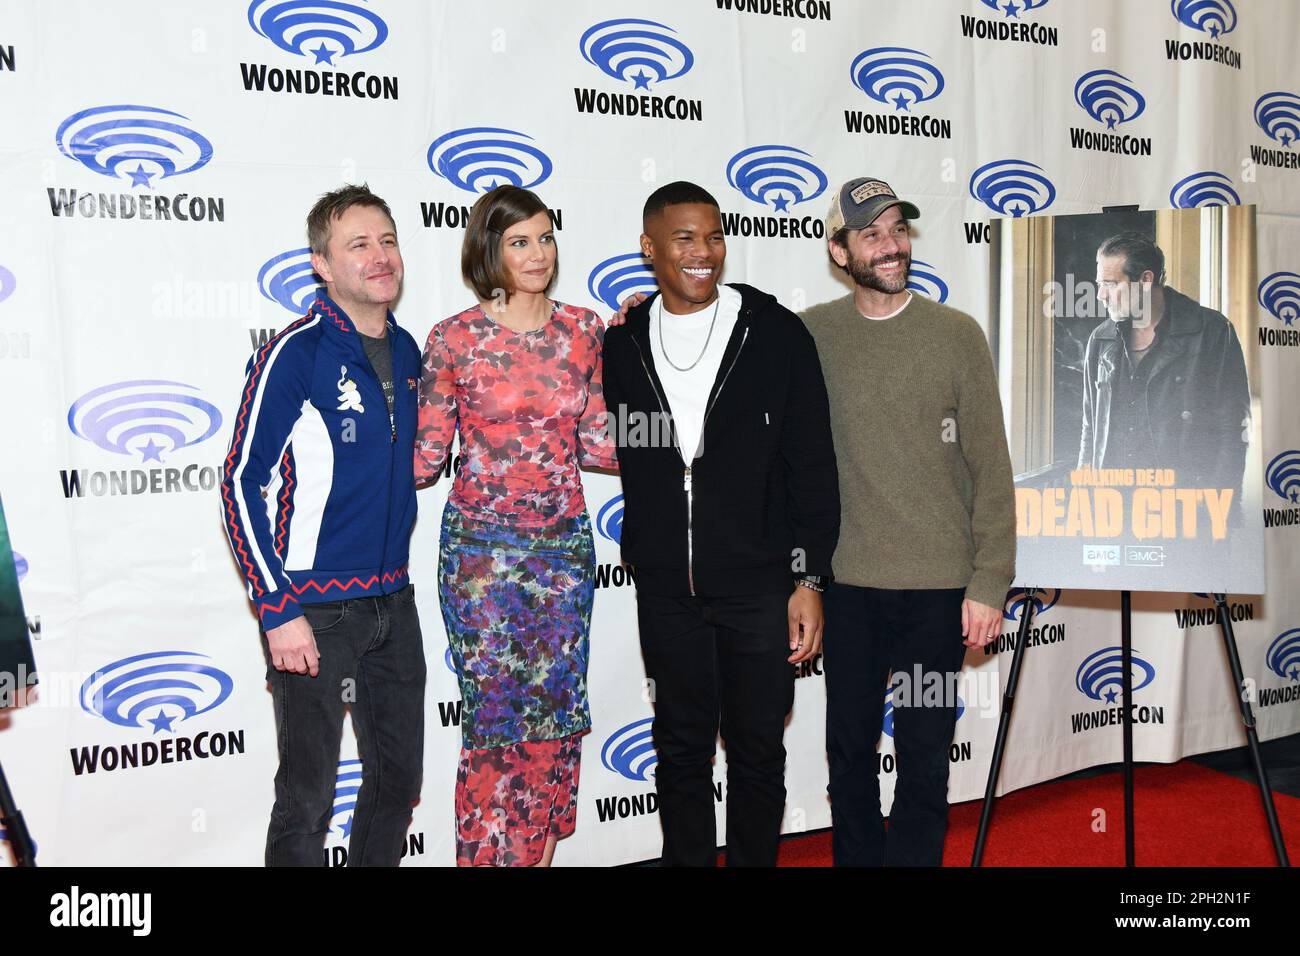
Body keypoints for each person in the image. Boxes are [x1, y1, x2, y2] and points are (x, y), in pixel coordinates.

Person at [602, 181, 839, 867]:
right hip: (667, 588)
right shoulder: (623, 343)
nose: (703, 252)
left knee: (759, 750)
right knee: (679, 749)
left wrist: (809, 578)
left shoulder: (776, 335)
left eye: (713, 236)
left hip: (762, 584)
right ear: (650, 248)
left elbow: (812, 468)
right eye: (684, 238)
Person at [801, 177, 1015, 866]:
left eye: (898, 229)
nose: (892, 245)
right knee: (849, 753)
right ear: (840, 251)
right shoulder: (812, 336)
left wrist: (990, 581)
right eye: (872, 234)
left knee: (925, 758)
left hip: (939, 590)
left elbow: (991, 468)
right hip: (852, 588)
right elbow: (725, 343)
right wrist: (645, 316)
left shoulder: (956, 335)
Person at [221, 184, 426, 867]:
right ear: (322, 264)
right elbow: (240, 481)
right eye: (358, 245)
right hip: (314, 608)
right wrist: (276, 608)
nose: (379, 256)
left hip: (394, 602)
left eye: (388, 240)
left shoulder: (410, 353)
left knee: (398, 784)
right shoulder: (297, 353)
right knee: (307, 799)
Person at [415, 184, 617, 867]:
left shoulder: (586, 330)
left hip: (563, 553)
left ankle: (531, 858)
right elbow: (420, 460)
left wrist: (661, 368)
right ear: (488, 251)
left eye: (546, 237)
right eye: (519, 242)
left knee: (555, 723)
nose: (538, 254)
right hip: (481, 561)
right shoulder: (453, 339)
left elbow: (599, 444)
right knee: (498, 726)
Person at [1081, 232, 1251, 495]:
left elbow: (1232, 430)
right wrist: (1085, 496)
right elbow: (1091, 425)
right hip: (1114, 507)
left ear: (1146, 280)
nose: (1100, 295)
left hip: (1185, 503)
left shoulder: (1212, 331)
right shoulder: (1101, 339)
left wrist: (1223, 511)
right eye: (1099, 283)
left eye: (1111, 283)